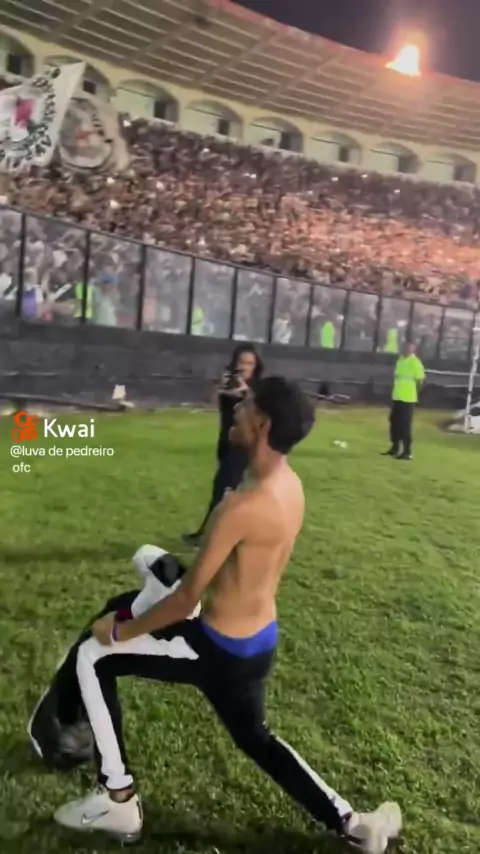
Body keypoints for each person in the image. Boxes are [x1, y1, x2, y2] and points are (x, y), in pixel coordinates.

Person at [54, 377, 402, 853]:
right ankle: (355, 824)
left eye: (247, 405)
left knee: (93, 655)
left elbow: (185, 600)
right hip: (258, 643)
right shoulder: (290, 486)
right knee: (256, 738)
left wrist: (119, 631)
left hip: (216, 648)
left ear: (262, 425)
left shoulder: (240, 506)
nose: (237, 409)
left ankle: (118, 798)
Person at [183, 343, 263, 547]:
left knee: (223, 489)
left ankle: (208, 535)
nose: (244, 367)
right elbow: (207, 400)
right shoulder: (228, 383)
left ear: (256, 366)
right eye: (241, 362)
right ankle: (229, 534)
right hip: (226, 442)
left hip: (243, 445)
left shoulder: (258, 388)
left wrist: (246, 392)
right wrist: (219, 385)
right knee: (229, 490)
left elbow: (260, 413)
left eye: (250, 363)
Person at [383, 342, 425, 461]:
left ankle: (407, 451)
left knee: (405, 425)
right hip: (397, 396)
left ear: (413, 350)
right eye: (405, 348)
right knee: (394, 422)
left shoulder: (415, 362)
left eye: (409, 348)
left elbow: (420, 381)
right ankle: (395, 447)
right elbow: (396, 378)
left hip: (408, 398)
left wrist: (415, 393)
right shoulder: (400, 360)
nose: (406, 350)